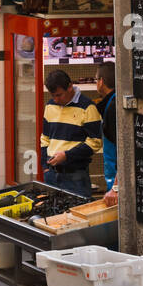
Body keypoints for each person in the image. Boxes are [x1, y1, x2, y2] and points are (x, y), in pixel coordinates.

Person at [41, 69, 103, 200]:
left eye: (59, 95)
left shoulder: (88, 107)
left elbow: (95, 142)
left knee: (78, 215)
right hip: (51, 174)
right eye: (53, 96)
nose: (56, 100)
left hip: (76, 176)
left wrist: (67, 156)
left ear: (70, 87)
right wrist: (45, 167)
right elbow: (45, 138)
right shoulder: (50, 106)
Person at [95, 62, 117, 191]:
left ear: (101, 81)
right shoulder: (111, 103)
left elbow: (122, 150)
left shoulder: (113, 107)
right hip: (114, 178)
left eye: (96, 79)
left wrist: (116, 188)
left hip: (116, 181)